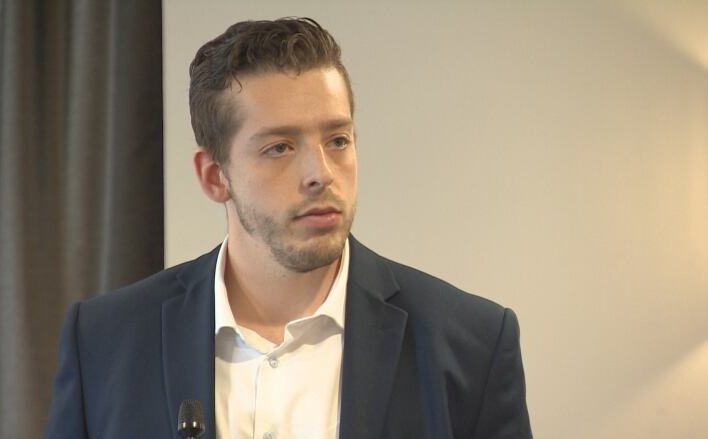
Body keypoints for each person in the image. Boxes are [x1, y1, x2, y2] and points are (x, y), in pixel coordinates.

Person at [45, 17, 532, 439]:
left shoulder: (473, 345)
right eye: (279, 147)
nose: (320, 172)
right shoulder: (106, 342)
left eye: (337, 139)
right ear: (215, 177)